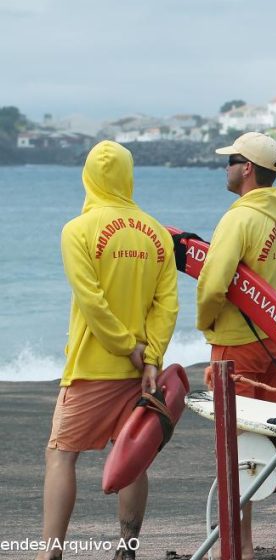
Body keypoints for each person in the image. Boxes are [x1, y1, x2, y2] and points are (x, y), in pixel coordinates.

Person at [38, 140, 179, 560]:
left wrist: (126, 347)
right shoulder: (157, 233)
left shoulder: (77, 230)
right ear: (128, 176)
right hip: (140, 374)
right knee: (132, 458)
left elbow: (91, 302)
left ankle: (50, 553)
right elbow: (167, 304)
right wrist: (151, 356)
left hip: (91, 368)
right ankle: (126, 548)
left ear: (88, 177)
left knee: (61, 455)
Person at [197, 132, 276, 558]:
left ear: (247, 168)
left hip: (235, 346)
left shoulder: (239, 219)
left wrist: (206, 323)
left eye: (231, 161)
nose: (224, 167)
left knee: (237, 446)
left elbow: (213, 283)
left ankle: (240, 547)